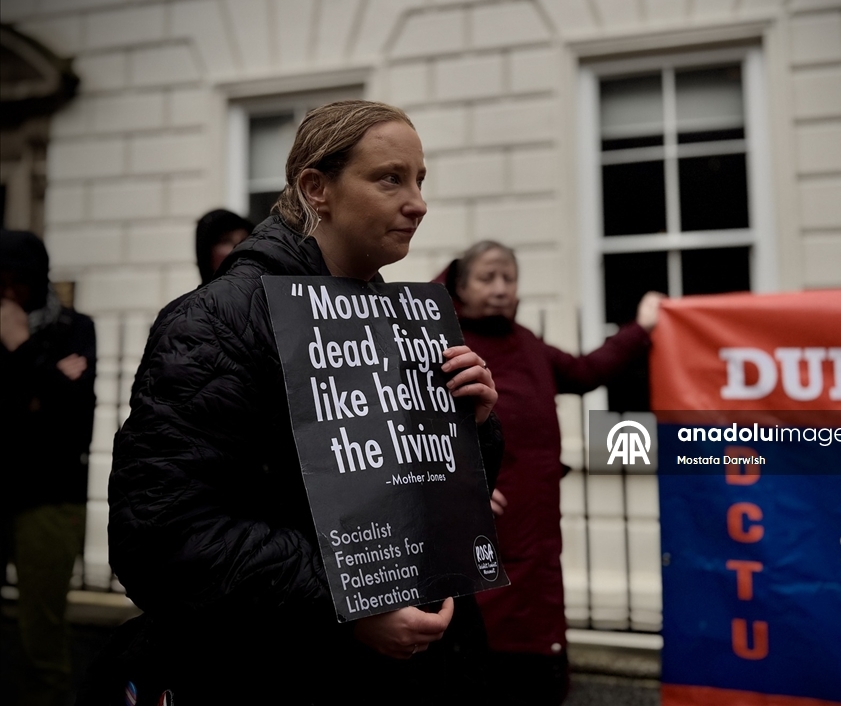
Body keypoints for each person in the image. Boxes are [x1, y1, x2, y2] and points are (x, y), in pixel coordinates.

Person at [88, 101, 501, 705]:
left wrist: (473, 424)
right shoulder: (216, 321)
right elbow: (162, 536)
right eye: (390, 179)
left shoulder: (401, 319)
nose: (418, 203)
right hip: (270, 672)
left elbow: (428, 499)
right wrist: (346, 605)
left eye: (419, 180)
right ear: (316, 189)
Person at [437, 240, 663, 705]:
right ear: (460, 286)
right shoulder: (443, 344)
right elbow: (410, 431)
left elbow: (585, 371)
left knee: (537, 637)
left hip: (536, 525)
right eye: (487, 277)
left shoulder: (529, 343)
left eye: (509, 277)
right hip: (480, 528)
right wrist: (458, 484)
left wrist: (641, 328)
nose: (501, 288)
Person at [1, 229, 96, 706]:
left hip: (50, 497)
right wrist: (47, 381)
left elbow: (73, 420)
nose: (8, 293)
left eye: (16, 280)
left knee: (42, 638)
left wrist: (21, 346)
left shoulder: (74, 328)